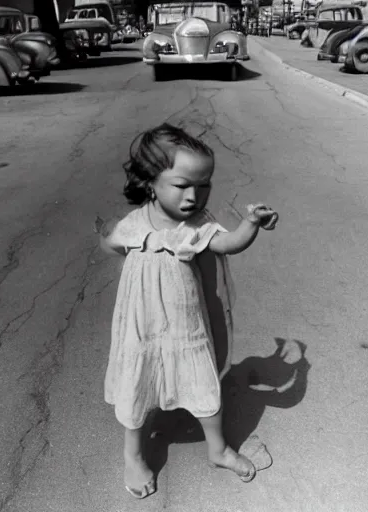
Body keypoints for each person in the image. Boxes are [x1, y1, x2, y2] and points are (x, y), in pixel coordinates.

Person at [98, 123, 279, 499]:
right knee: (138, 384)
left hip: (185, 325)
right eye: (182, 185)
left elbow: (228, 243)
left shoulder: (196, 225)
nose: (194, 196)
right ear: (150, 182)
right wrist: (118, 246)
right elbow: (111, 243)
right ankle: (133, 456)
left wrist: (251, 224)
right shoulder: (133, 224)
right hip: (141, 326)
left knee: (202, 384)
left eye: (204, 184)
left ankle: (218, 450)